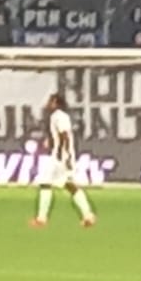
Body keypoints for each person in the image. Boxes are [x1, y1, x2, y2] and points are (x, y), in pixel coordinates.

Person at [30, 94, 95, 228]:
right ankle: (88, 215)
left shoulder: (59, 116)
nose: (48, 104)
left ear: (55, 102)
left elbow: (64, 135)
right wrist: (51, 142)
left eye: (50, 101)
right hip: (62, 154)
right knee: (69, 185)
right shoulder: (60, 116)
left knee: (45, 183)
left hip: (60, 155)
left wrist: (62, 154)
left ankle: (41, 218)